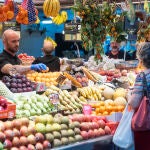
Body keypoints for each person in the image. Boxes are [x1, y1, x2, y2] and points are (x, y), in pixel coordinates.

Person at [128, 42, 150, 150]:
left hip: (146, 124)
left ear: (141, 60)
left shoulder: (142, 76)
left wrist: (129, 97)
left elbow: (134, 102)